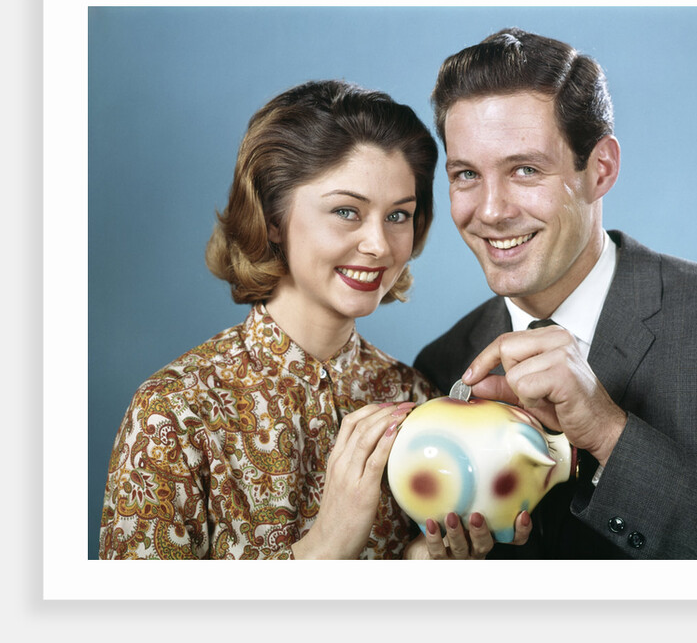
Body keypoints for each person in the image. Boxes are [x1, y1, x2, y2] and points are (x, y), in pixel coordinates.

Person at [99, 79, 523, 559]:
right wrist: (328, 545)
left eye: (398, 216)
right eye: (347, 211)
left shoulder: (416, 398)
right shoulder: (173, 414)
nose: (379, 246)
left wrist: (422, 564)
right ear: (273, 217)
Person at [414, 28, 697, 559]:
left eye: (525, 170)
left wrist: (608, 430)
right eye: (466, 175)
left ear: (600, 169)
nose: (493, 210)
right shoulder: (441, 364)